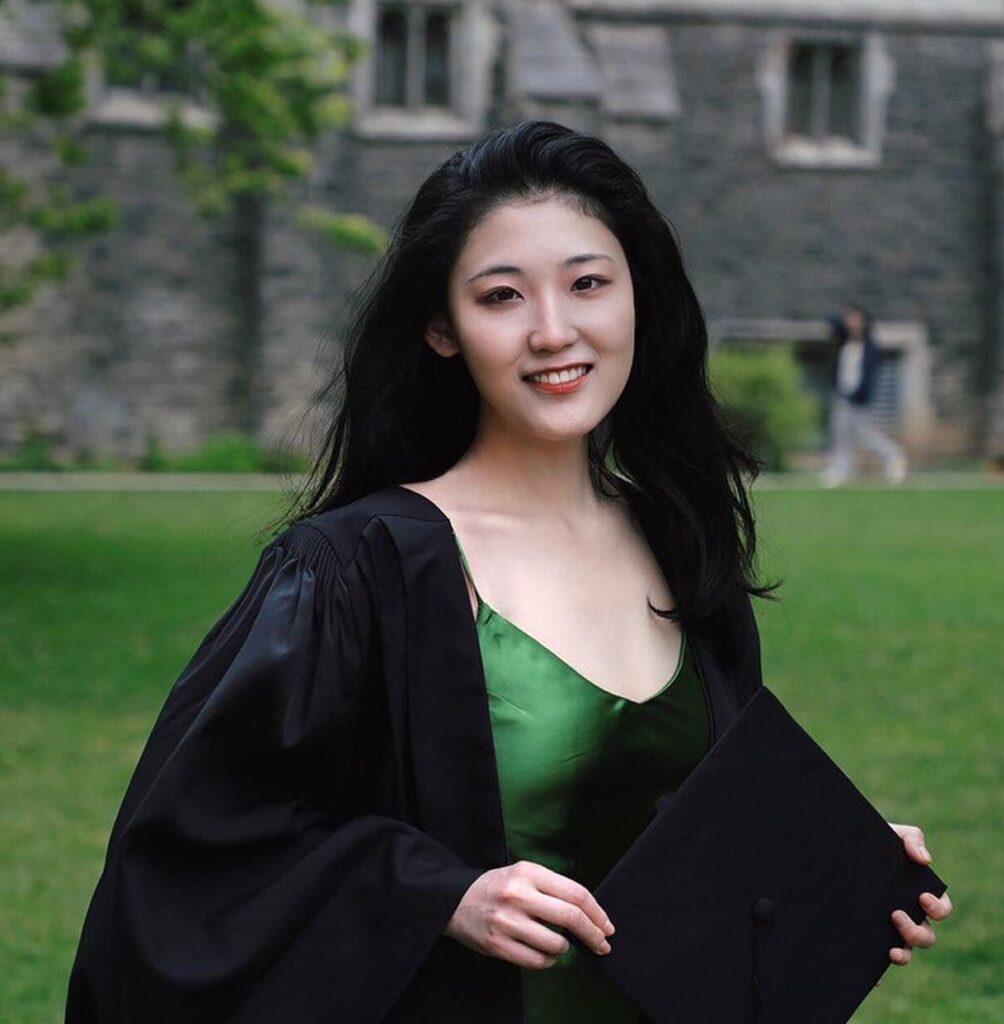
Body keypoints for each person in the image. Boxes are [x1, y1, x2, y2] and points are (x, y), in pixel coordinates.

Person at [65, 121, 952, 1023]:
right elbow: (187, 861)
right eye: (501, 297)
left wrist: (826, 858)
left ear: (638, 297)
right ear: (442, 328)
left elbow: (692, 830)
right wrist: (439, 895)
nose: (553, 332)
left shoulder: (683, 542)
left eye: (588, 284)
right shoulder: (354, 570)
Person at [822, 304, 909, 487]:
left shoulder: (870, 348)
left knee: (866, 435)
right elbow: (830, 323)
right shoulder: (844, 342)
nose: (852, 324)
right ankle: (842, 471)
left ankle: (893, 456)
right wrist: (846, 320)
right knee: (841, 436)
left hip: (860, 399)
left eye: (856, 320)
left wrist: (858, 394)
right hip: (843, 395)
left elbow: (869, 376)